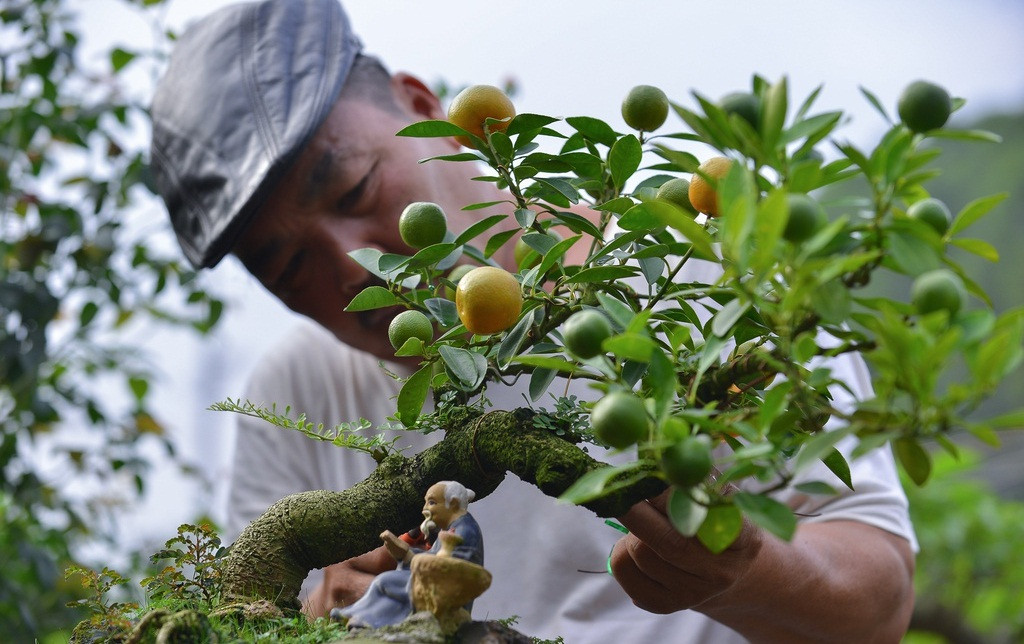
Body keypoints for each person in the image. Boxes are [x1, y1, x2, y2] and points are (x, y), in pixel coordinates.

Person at [149, 0, 916, 641]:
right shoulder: (294, 389)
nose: (351, 264)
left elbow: (879, 600)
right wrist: (320, 611)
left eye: (350, 189)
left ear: (424, 111)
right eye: (288, 267)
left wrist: (744, 570)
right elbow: (256, 609)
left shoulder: (697, 272)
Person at [333, 480, 484, 629]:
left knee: (385, 581)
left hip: (442, 590)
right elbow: (433, 555)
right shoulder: (448, 528)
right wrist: (406, 554)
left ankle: (368, 619)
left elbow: (451, 567)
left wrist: (411, 557)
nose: (425, 509)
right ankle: (360, 616)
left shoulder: (464, 531)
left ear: (453, 504)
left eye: (431, 502)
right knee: (389, 586)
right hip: (430, 580)